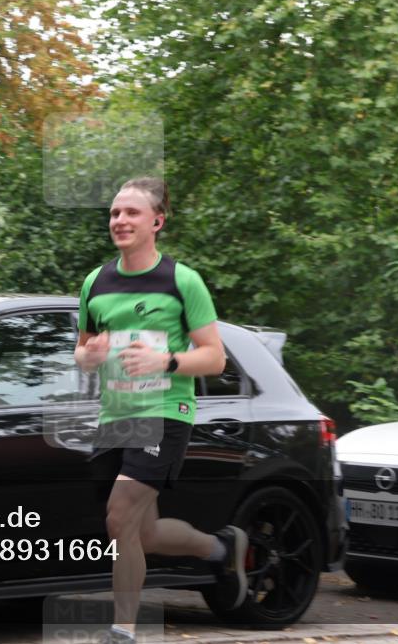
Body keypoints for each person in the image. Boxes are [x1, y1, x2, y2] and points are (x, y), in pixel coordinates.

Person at [74, 177, 249, 644]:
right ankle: (219, 547)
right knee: (140, 533)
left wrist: (166, 361)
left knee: (118, 516)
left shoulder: (181, 281)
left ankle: (123, 630)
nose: (120, 220)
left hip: (167, 410)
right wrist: (90, 357)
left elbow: (215, 357)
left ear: (157, 221)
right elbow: (82, 350)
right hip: (116, 415)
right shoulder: (95, 282)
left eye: (131, 212)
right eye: (114, 213)